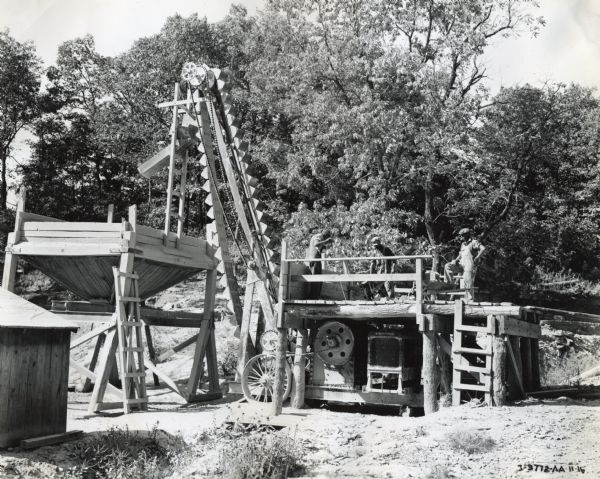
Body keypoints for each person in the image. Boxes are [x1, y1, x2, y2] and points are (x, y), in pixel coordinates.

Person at [444, 228, 485, 299]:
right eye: (461, 236)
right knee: (447, 266)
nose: (461, 237)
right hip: (461, 265)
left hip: (469, 266)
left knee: (468, 284)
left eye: (462, 235)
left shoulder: (473, 242)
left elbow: (483, 248)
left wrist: (477, 257)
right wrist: (455, 260)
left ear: (467, 235)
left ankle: (470, 301)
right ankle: (450, 283)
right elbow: (460, 254)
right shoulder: (463, 244)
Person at [306, 230, 333, 299]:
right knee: (315, 278)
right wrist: (326, 241)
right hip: (314, 259)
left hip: (317, 259)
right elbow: (316, 244)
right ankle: (313, 297)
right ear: (325, 235)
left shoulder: (321, 239)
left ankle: (316, 296)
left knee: (319, 278)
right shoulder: (319, 236)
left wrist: (326, 247)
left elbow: (321, 249)